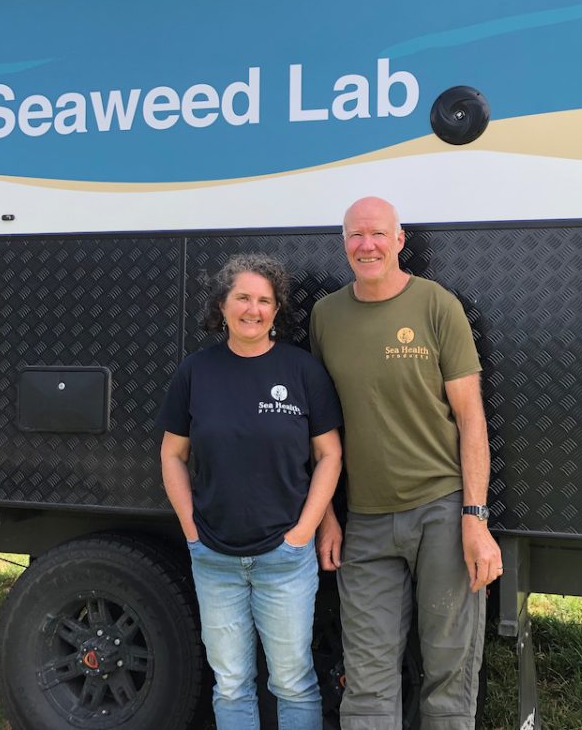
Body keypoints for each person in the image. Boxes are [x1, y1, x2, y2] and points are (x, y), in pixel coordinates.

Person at [309, 196, 502, 730]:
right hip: (365, 523)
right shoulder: (326, 316)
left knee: (448, 674)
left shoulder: (437, 305)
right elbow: (322, 429)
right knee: (368, 684)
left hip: (441, 512)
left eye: (377, 234)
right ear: (344, 243)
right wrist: (327, 516)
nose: (366, 245)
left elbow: (470, 418)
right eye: (354, 235)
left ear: (399, 241)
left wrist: (475, 518)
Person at [159, 253, 343, 730]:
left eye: (264, 300)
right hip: (214, 556)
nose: (253, 309)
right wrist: (191, 529)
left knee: (293, 681)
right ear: (222, 304)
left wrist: (304, 530)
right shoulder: (196, 371)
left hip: (285, 556)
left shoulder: (302, 371)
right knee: (232, 682)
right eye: (242, 297)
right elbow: (172, 454)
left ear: (277, 310)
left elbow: (330, 456)